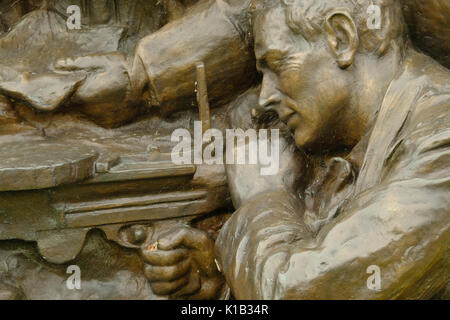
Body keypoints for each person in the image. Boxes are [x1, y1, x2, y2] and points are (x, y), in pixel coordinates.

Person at [139, 0, 449, 299]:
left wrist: (262, 199)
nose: (264, 97)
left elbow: (294, 290)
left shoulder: (441, 142)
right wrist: (223, 272)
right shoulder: (355, 140)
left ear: (341, 38)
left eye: (277, 65)